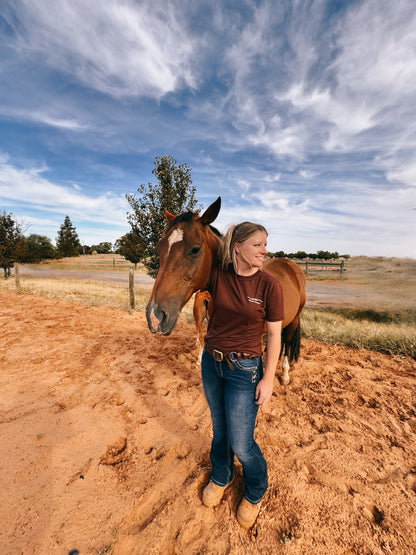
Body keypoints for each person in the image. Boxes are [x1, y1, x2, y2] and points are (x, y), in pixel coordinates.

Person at [200, 221, 284, 529]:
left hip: (245, 371)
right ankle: (222, 475)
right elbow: (186, 269)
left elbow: (274, 336)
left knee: (242, 443)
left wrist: (269, 377)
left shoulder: (269, 285)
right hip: (211, 363)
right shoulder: (217, 275)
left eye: (265, 244)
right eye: (258, 244)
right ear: (238, 247)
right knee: (220, 430)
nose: (265, 250)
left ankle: (255, 490)